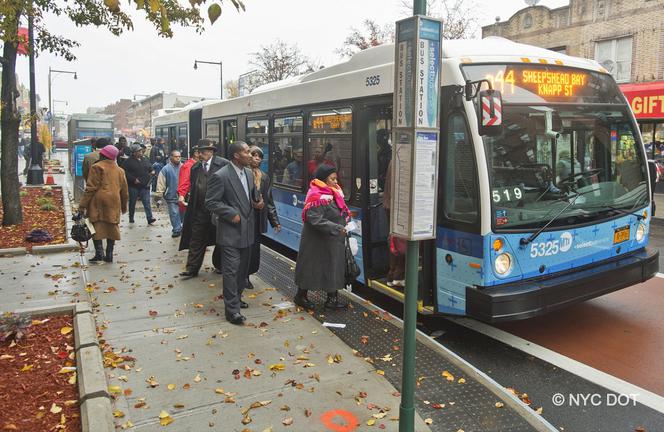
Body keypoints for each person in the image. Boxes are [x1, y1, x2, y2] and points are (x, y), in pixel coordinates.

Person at [205, 141, 262, 325]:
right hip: (230, 232)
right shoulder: (220, 176)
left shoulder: (248, 173)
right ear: (237, 156)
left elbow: (251, 197)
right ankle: (232, 311)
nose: (251, 155)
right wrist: (231, 214)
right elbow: (211, 202)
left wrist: (258, 203)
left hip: (247, 231)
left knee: (242, 271)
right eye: (246, 152)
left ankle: (236, 299)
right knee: (231, 271)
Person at [293, 164, 350, 310]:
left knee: (333, 267)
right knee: (311, 268)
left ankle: (332, 300)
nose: (336, 182)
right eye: (332, 179)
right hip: (316, 241)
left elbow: (340, 211)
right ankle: (301, 296)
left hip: (333, 239)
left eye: (336, 178)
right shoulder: (316, 195)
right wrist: (338, 227)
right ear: (323, 180)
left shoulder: (334, 192)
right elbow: (314, 219)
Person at [178, 139, 228, 278]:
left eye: (204, 151)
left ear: (211, 151)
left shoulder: (224, 164)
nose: (200, 154)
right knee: (196, 239)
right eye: (199, 151)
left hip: (218, 212)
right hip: (200, 211)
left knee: (221, 240)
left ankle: (220, 265)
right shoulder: (195, 168)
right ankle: (192, 268)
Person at [78, 145, 129, 263]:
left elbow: (90, 188)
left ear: (103, 155)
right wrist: (124, 206)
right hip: (114, 201)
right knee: (112, 225)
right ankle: (109, 254)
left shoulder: (97, 167)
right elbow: (124, 191)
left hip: (98, 201)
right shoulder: (120, 170)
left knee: (96, 225)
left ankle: (99, 253)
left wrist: (82, 205)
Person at [247, 146, 281, 289]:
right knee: (244, 249)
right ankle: (242, 276)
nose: (257, 158)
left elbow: (269, 201)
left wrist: (275, 222)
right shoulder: (243, 173)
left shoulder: (264, 177)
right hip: (244, 217)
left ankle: (247, 274)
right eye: (254, 155)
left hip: (257, 219)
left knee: (254, 249)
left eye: (259, 156)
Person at [383, 159, 405, 287]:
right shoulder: (404, 157)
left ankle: (392, 274)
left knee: (394, 239)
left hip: (390, 205)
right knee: (401, 241)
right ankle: (398, 275)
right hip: (398, 207)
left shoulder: (395, 157)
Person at [122, 143, 156, 225]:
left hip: (145, 185)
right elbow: (124, 173)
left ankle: (149, 217)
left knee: (147, 202)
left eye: (141, 150)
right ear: (134, 152)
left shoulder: (145, 159)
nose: (141, 152)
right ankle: (131, 217)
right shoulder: (128, 162)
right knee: (132, 202)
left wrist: (152, 171)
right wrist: (133, 179)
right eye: (139, 151)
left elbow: (150, 167)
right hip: (133, 185)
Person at [156, 150, 183, 238]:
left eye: (179, 156)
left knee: (182, 213)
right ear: (171, 157)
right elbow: (161, 182)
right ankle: (176, 229)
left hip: (183, 195)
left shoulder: (183, 167)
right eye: (176, 156)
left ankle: (181, 227)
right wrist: (159, 195)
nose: (178, 158)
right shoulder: (166, 169)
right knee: (174, 213)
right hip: (171, 195)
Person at [178, 146, 201, 214]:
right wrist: (181, 195)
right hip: (191, 198)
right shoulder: (188, 165)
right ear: (196, 154)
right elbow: (184, 182)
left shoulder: (198, 164)